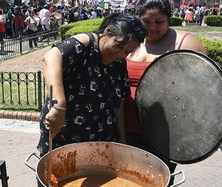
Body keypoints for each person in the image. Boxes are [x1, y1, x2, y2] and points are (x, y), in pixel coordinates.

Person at [123, 0, 207, 187]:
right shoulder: (132, 41)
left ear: (169, 18)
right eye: (146, 21)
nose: (152, 27)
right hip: (125, 130)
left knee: (157, 186)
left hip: (163, 136)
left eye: (159, 22)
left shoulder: (185, 43)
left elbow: (206, 88)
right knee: (127, 183)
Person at [37, 13, 148, 157]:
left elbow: (118, 103)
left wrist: (121, 138)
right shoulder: (85, 44)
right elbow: (51, 57)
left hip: (100, 145)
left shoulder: (119, 63)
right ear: (107, 31)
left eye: (127, 52)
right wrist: (59, 105)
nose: (120, 54)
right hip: (63, 142)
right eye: (118, 45)